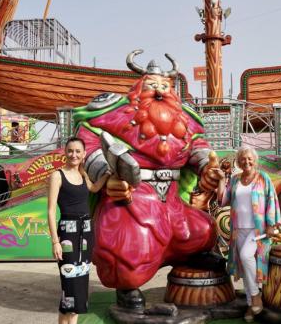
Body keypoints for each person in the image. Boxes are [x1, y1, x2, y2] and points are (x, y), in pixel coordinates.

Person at [73, 50, 223, 310]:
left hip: (173, 203)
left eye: (165, 86)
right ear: (138, 88)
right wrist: (106, 177)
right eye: (152, 85)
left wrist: (205, 167)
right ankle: (127, 287)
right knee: (128, 253)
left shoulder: (185, 120)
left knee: (203, 230)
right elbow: (87, 143)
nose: (159, 91)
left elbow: (199, 146)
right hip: (132, 201)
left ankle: (187, 257)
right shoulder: (111, 114)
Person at [47, 137, 108, 324]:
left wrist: (108, 174)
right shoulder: (57, 175)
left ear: (83, 154)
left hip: (86, 233)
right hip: (67, 234)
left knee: (81, 285)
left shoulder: (82, 174)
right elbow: (49, 211)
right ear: (65, 152)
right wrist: (55, 242)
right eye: (70, 151)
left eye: (78, 151)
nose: (74, 154)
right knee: (69, 286)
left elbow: (94, 188)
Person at [215, 146, 281, 323]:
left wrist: (271, 224)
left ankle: (255, 295)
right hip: (238, 230)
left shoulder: (263, 178)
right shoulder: (235, 180)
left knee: (246, 257)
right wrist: (222, 180)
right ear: (238, 161)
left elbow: (271, 200)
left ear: (255, 160)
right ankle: (252, 306)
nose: (246, 161)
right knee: (244, 268)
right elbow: (222, 201)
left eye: (249, 158)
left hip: (257, 231)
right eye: (243, 159)